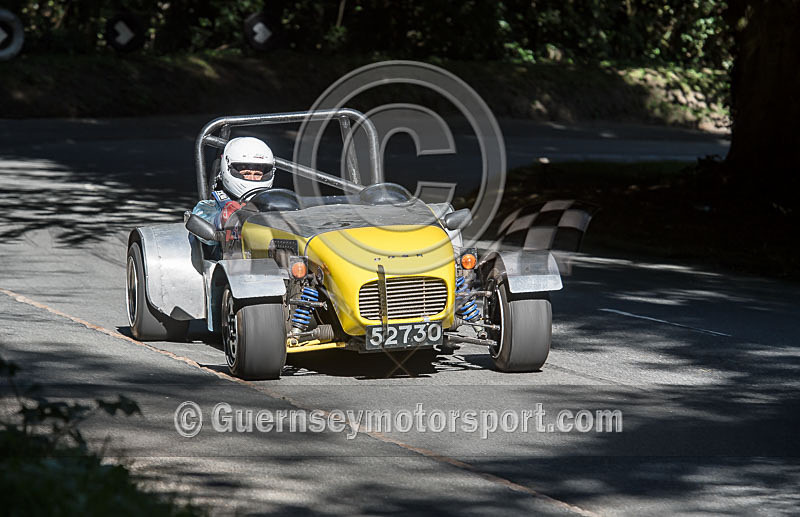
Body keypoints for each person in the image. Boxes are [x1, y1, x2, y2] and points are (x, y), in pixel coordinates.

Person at [191, 136, 276, 245]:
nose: (252, 178)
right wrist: (221, 220)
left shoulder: (273, 202)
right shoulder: (215, 205)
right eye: (246, 173)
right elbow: (200, 216)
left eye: (257, 174)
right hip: (231, 254)